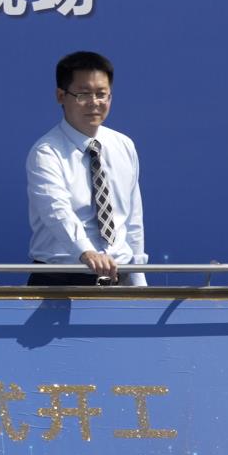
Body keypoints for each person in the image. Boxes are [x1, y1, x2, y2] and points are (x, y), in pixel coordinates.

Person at [27, 51, 146, 286]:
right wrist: (86, 252)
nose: (94, 103)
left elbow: (132, 221)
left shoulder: (123, 145)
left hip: (118, 281)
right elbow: (56, 212)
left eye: (101, 94)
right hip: (60, 282)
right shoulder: (46, 152)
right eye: (83, 94)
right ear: (61, 96)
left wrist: (139, 282)